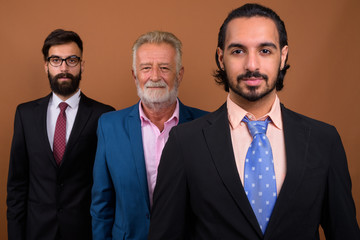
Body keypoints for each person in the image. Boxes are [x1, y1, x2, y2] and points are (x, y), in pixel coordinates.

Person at [148, 3, 360, 240]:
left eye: (265, 51)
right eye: (238, 51)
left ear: (283, 56)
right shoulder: (184, 143)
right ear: (221, 58)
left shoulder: (324, 140)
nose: (251, 65)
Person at [90, 31, 207, 240]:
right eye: (146, 68)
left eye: (164, 68)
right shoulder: (109, 126)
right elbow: (101, 205)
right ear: (135, 75)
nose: (154, 77)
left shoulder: (205, 126)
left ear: (179, 74)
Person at [7, 29, 115, 240]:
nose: (64, 68)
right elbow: (17, 185)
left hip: (85, 231)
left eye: (72, 60)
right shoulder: (25, 114)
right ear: (46, 65)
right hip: (36, 231)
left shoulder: (104, 115)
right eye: (56, 60)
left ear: (82, 65)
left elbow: (109, 186)